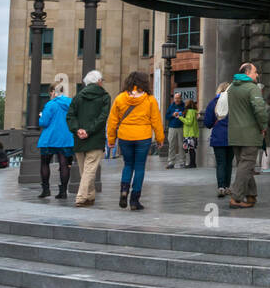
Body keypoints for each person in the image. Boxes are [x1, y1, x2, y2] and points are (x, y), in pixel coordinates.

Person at [106, 70, 163, 211]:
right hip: (143, 136)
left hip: (125, 136)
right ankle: (134, 200)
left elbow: (112, 121)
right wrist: (160, 138)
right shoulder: (150, 100)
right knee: (139, 167)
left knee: (127, 165)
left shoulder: (120, 98)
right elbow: (156, 121)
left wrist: (111, 139)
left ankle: (123, 191)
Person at [226, 63, 269, 208]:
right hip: (250, 134)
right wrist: (263, 126)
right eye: (255, 72)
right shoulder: (252, 88)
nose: (257, 75)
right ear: (247, 72)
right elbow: (260, 110)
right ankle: (236, 198)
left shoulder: (231, 88)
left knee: (244, 165)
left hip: (234, 134)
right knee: (246, 165)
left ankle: (251, 195)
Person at [67, 69, 112, 207]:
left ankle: (90, 196)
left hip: (79, 139)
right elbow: (103, 118)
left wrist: (78, 130)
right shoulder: (105, 97)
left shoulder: (77, 97)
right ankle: (81, 197)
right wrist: (89, 131)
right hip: (95, 138)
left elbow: (70, 116)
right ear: (98, 81)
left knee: (84, 171)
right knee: (89, 171)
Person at [37, 75, 74, 200]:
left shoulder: (50, 104)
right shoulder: (71, 103)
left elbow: (44, 122)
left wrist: (41, 116)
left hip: (50, 138)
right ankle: (63, 191)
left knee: (45, 163)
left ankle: (46, 189)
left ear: (53, 92)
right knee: (64, 165)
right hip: (66, 138)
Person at [200, 82, 232, 197]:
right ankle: (227, 186)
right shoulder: (233, 103)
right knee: (229, 163)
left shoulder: (213, 103)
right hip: (232, 136)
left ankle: (221, 187)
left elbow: (208, 122)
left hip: (218, 137)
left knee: (220, 163)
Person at [164, 92, 185, 169]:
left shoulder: (184, 106)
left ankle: (182, 162)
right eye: (175, 98)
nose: (177, 100)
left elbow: (186, 115)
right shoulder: (171, 106)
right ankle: (171, 162)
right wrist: (172, 115)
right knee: (171, 145)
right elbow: (166, 116)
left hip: (181, 127)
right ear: (174, 99)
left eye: (178, 98)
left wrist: (183, 114)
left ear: (181, 98)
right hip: (172, 127)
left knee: (182, 145)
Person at [182, 99, 199, 168]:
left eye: (186, 103)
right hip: (193, 133)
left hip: (190, 133)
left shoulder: (190, 111)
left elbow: (189, 122)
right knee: (191, 149)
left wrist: (180, 118)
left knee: (190, 149)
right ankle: (192, 163)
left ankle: (192, 164)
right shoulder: (194, 112)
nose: (185, 104)